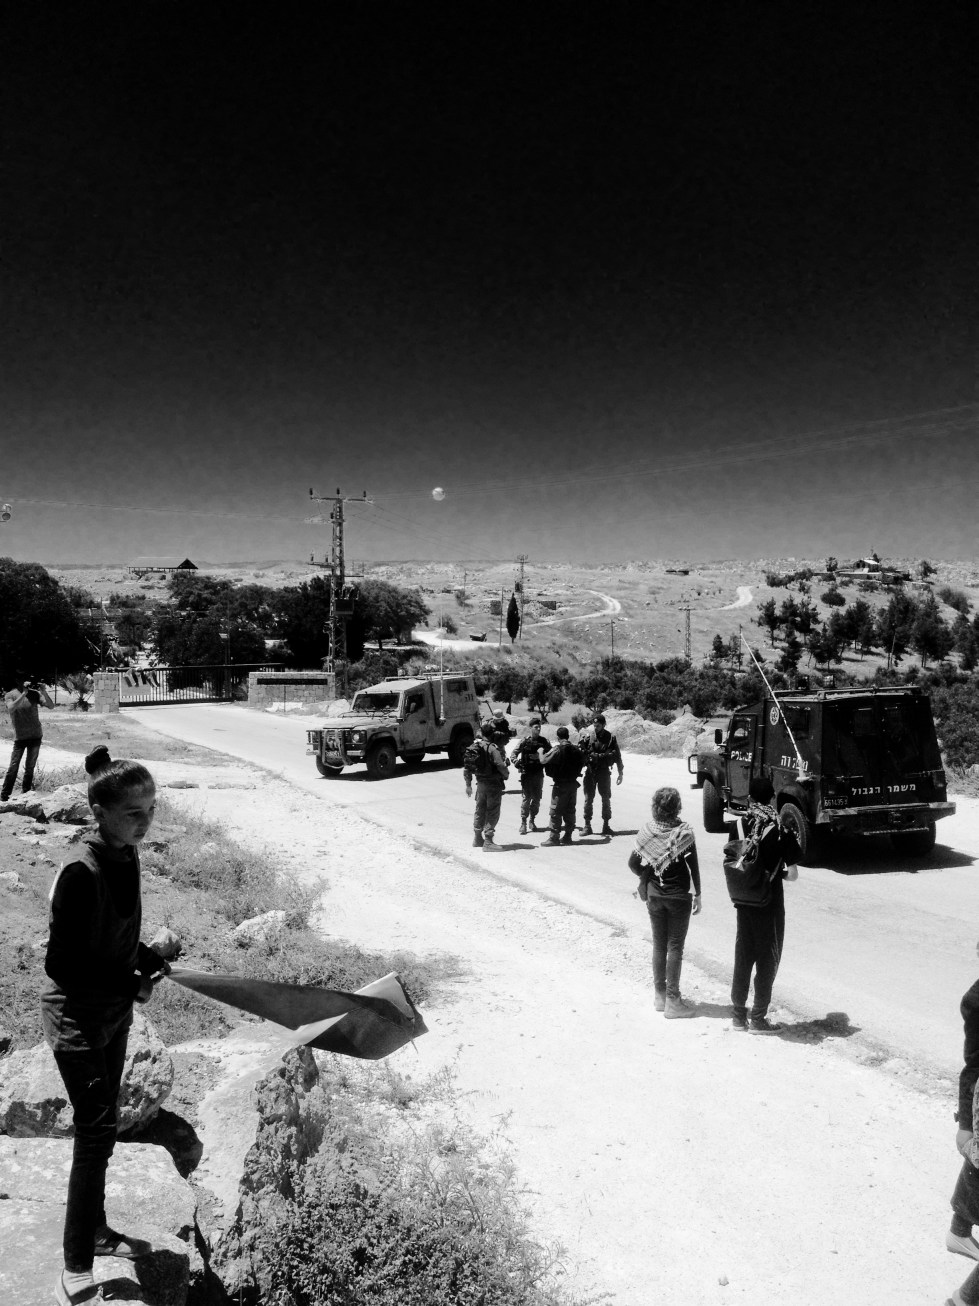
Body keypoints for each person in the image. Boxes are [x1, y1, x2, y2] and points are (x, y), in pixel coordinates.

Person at [42, 745, 170, 1306]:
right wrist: (128, 982)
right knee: (94, 1134)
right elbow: (61, 963)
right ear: (100, 813)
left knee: (105, 1128)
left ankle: (95, 1230)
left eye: (151, 809)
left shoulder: (127, 853)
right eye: (133, 813)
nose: (146, 822)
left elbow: (111, 936)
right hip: (75, 1021)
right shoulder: (79, 870)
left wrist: (144, 957)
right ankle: (75, 1263)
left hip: (113, 1016)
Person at [727, 775, 800, 1033]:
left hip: (743, 900)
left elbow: (734, 862)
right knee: (768, 958)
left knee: (743, 955)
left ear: (749, 799)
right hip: (769, 903)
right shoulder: (780, 829)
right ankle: (758, 1018)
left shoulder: (737, 825)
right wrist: (777, 874)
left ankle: (738, 1016)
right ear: (772, 799)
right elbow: (793, 874)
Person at [629, 787, 701, 1018]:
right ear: (677, 807)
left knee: (659, 945)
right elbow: (693, 867)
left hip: (654, 896)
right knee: (675, 947)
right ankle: (673, 1001)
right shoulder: (684, 834)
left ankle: (660, 996)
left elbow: (632, 863)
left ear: (655, 806)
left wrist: (648, 875)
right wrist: (698, 894)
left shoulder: (647, 832)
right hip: (678, 897)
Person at [946, 961, 979, 1289]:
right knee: (976, 1155)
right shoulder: (977, 1002)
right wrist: (966, 1124)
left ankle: (959, 1230)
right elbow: (973, 1066)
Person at [1, 677, 54, 802]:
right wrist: (23, 694)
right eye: (24, 680)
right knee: (13, 766)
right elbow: (11, 708)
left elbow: (51, 706)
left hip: (35, 735)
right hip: (20, 737)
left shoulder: (35, 694)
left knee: (30, 767)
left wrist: (44, 692)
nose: (27, 682)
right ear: (18, 681)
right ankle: (4, 795)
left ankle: (26, 793)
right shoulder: (10, 695)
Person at [464, 722, 509, 851]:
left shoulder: (475, 747)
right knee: (492, 811)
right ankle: (488, 841)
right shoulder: (492, 748)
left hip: (480, 784)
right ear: (492, 734)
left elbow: (467, 768)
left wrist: (468, 785)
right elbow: (500, 765)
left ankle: (477, 838)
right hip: (493, 784)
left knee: (480, 810)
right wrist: (506, 774)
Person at [579, 713, 624, 836]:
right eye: (594, 725)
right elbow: (581, 755)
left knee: (606, 798)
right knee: (588, 799)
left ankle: (606, 826)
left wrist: (620, 772)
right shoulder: (588, 737)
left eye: (598, 725)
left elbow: (617, 756)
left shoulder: (610, 738)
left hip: (604, 772)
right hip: (591, 772)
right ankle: (587, 826)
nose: (596, 727)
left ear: (604, 725)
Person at [540, 726, 585, 846]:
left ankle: (554, 837)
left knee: (556, 811)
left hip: (560, 785)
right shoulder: (576, 749)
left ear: (558, 737)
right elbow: (583, 761)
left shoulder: (557, 749)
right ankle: (568, 836)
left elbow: (543, 760)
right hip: (573, 784)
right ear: (568, 736)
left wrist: (540, 752)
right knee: (570, 810)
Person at [510, 717, 551, 835]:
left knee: (537, 799)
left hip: (538, 773)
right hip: (526, 773)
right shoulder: (524, 741)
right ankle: (523, 822)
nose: (538, 729)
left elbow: (551, 754)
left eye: (539, 727)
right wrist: (516, 762)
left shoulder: (544, 741)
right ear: (531, 728)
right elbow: (513, 753)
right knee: (526, 798)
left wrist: (540, 757)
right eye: (536, 727)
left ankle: (532, 820)